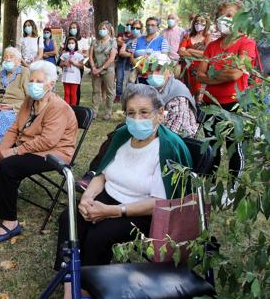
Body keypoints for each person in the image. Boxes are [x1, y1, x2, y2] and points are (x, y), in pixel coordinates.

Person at [54, 83, 193, 299]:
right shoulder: (121, 137)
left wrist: (113, 211)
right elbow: (101, 175)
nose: (137, 119)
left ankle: (87, 289)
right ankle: (69, 282)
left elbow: (161, 203)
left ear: (160, 114)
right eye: (131, 113)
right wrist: (88, 198)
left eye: (144, 112)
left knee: (98, 235)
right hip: (107, 197)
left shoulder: (168, 148)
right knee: (69, 219)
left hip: (143, 212)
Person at [0, 60, 78, 243]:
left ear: (51, 84)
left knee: (8, 166)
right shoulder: (29, 101)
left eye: (38, 81)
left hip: (53, 152)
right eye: (31, 80)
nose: (33, 84)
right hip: (29, 146)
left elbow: (48, 140)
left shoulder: (58, 107)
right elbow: (14, 129)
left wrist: (14, 151)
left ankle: (10, 223)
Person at [197, 0, 257, 178]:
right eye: (221, 16)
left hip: (234, 105)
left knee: (233, 147)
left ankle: (232, 188)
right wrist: (222, 74)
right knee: (211, 145)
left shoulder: (246, 43)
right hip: (210, 104)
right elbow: (199, 75)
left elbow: (235, 75)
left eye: (229, 15)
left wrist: (212, 75)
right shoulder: (212, 46)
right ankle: (210, 182)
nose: (224, 19)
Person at [0, 47, 29, 147]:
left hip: (16, 110)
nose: (8, 59)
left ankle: (3, 146)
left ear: (18, 60)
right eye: (6, 57)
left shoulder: (25, 73)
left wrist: (12, 107)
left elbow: (30, 98)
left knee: (6, 118)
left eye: (11, 57)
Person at [145, 53, 198, 137]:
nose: (154, 74)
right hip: (158, 133)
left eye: (159, 69)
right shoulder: (153, 89)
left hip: (180, 140)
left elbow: (175, 130)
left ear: (169, 72)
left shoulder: (177, 94)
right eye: (150, 70)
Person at [89, 21, 118, 120]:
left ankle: (108, 112)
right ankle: (94, 112)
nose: (102, 30)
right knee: (96, 91)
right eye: (101, 28)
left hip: (108, 70)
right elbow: (91, 56)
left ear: (109, 30)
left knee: (110, 92)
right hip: (95, 70)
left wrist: (100, 69)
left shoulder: (113, 42)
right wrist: (93, 68)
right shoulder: (94, 41)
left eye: (104, 29)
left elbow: (112, 58)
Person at [178, 14, 211, 97]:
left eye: (202, 21)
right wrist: (199, 54)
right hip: (185, 70)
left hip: (199, 71)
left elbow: (207, 54)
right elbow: (181, 52)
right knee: (184, 93)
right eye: (197, 21)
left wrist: (189, 50)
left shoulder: (207, 37)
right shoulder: (187, 36)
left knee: (197, 94)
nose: (199, 23)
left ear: (206, 23)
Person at [130, 17, 170, 84]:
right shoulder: (137, 40)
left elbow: (164, 60)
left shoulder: (162, 41)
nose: (150, 27)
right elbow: (131, 57)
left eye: (152, 25)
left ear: (157, 27)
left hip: (154, 76)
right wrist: (141, 70)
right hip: (139, 75)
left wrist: (149, 70)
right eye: (148, 25)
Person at [61, 21, 89, 105]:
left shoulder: (83, 40)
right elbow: (61, 53)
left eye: (74, 28)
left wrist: (78, 53)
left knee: (75, 90)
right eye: (71, 28)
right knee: (67, 92)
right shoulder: (66, 39)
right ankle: (67, 107)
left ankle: (75, 106)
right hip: (67, 71)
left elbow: (86, 54)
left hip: (76, 69)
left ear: (78, 29)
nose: (72, 29)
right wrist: (65, 53)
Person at [60, 37, 85, 106]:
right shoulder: (64, 55)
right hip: (66, 77)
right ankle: (66, 108)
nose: (71, 44)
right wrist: (64, 63)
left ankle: (74, 108)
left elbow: (82, 66)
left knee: (73, 93)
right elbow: (60, 64)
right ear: (67, 44)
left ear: (75, 44)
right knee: (67, 93)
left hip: (75, 77)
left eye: (72, 43)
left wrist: (74, 63)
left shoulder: (79, 55)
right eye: (69, 43)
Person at [119, 20, 143, 86]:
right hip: (128, 68)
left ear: (141, 29)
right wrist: (132, 54)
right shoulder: (127, 41)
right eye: (133, 28)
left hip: (141, 69)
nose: (135, 30)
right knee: (128, 88)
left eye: (137, 28)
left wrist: (130, 53)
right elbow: (121, 52)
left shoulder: (145, 40)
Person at [115, 19, 134, 102]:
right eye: (128, 24)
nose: (129, 26)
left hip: (130, 61)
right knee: (119, 79)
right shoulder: (121, 33)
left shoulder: (135, 35)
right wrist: (125, 42)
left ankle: (127, 96)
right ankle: (118, 95)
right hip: (121, 59)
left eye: (131, 25)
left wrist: (123, 41)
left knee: (128, 79)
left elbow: (121, 42)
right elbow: (117, 42)